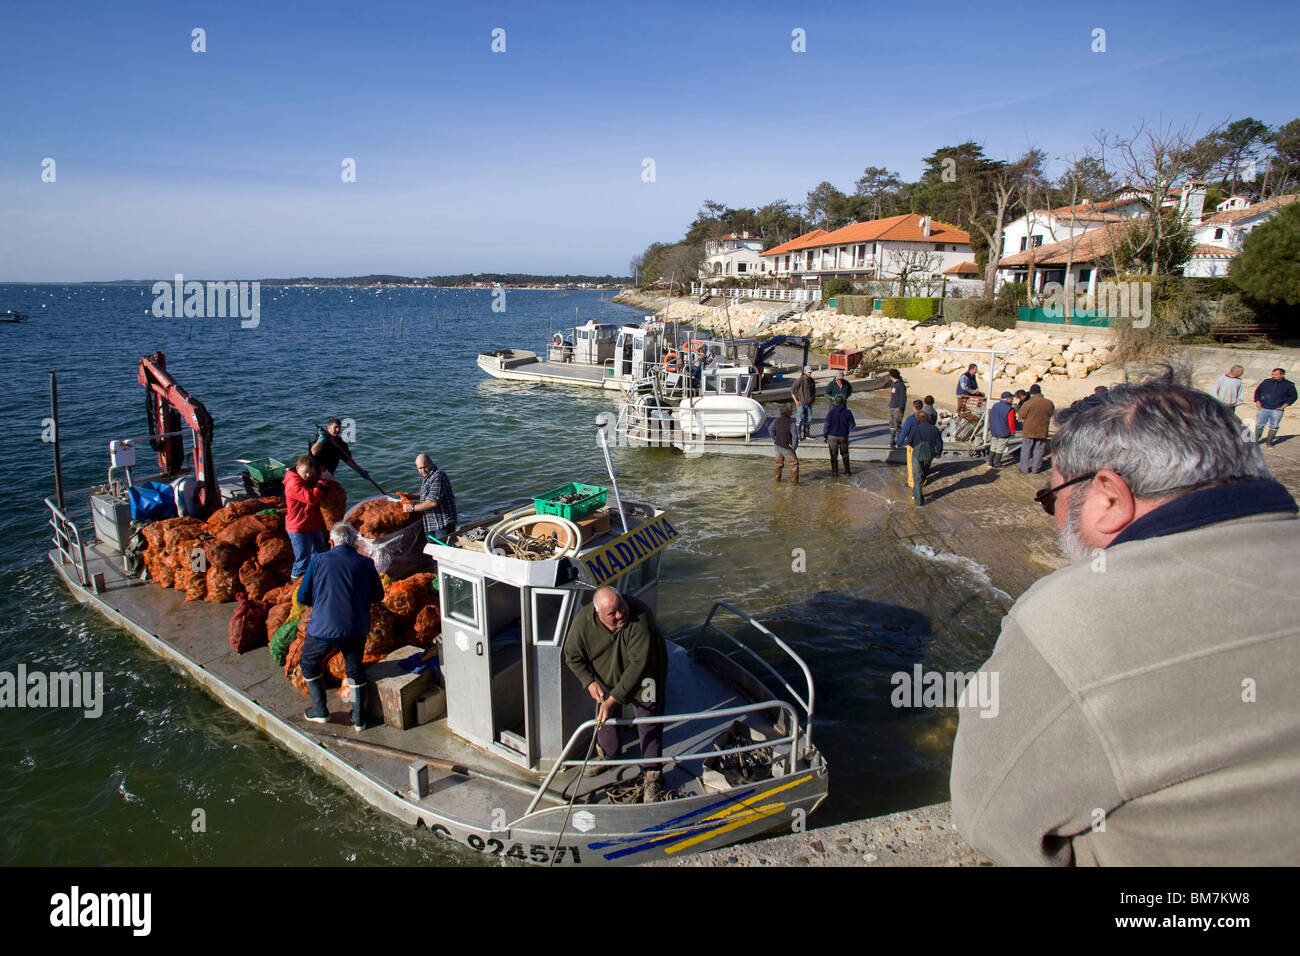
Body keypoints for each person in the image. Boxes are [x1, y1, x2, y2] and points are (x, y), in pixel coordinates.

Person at [950, 376, 1299, 865]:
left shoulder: (1069, 618)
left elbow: (987, 818)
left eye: (1051, 499)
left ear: (1109, 498)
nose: (1053, 520)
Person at [562, 587, 669, 803]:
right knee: (605, 718)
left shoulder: (641, 617)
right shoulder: (583, 623)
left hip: (646, 676)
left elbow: (640, 664)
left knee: (649, 722)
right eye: (612, 613)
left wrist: (613, 700)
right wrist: (589, 682)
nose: (620, 615)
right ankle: (608, 755)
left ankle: (652, 774)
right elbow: (572, 656)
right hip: (607, 673)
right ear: (597, 613)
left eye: (621, 607)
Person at [297, 523, 385, 730]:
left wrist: (320, 602)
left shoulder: (318, 560)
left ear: (331, 542)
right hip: (356, 625)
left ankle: (319, 711)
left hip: (323, 626)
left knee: (309, 663)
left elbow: (302, 596)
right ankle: (359, 719)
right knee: (354, 668)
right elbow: (378, 595)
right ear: (354, 542)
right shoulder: (366, 563)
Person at [284, 454, 329, 579]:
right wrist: (322, 482)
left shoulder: (308, 476)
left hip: (312, 524)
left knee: (320, 552)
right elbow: (311, 498)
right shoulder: (293, 483)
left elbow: (317, 477)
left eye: (310, 472)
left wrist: (324, 474)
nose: (308, 476)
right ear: (297, 468)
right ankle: (295, 583)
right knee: (302, 560)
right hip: (298, 527)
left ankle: (320, 578)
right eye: (305, 472)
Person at [403, 454, 458, 541]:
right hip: (431, 524)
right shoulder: (428, 476)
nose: (423, 470)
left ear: (431, 463)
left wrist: (412, 508)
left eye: (425, 467)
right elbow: (426, 493)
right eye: (420, 468)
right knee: (434, 549)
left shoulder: (437, 476)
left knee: (442, 551)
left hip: (442, 524)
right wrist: (410, 496)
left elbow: (432, 502)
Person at [904, 411, 943, 505]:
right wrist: (938, 453)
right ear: (928, 419)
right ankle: (915, 494)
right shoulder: (935, 429)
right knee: (924, 475)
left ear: (918, 420)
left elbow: (909, 442)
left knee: (917, 477)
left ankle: (919, 502)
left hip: (916, 454)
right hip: (929, 454)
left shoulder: (915, 428)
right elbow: (940, 443)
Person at [1254, 367, 1296, 446]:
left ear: (1282, 375)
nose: (1273, 376)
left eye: (1275, 375)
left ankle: (1269, 442)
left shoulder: (1289, 385)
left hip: (1277, 409)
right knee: (1260, 425)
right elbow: (1257, 392)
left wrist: (1284, 406)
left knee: (1274, 426)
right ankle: (1255, 442)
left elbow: (1293, 397)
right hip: (1263, 408)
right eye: (1272, 374)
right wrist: (1257, 401)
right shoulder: (1266, 382)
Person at [1018, 384, 1054, 474]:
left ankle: (1024, 468)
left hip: (1029, 430)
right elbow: (1050, 414)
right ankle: (1036, 469)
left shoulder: (1028, 403)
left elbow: (1021, 415)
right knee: (1039, 450)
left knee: (1026, 450)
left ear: (1031, 393)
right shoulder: (1049, 403)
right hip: (1042, 430)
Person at [824, 396, 856, 477]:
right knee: (845, 455)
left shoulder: (831, 412)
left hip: (832, 437)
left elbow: (826, 425)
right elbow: (853, 424)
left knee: (833, 456)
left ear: (835, 402)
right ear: (844, 402)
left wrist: (825, 436)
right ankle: (848, 472)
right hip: (843, 437)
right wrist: (846, 429)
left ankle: (835, 474)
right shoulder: (848, 412)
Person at [897, 399, 925, 489]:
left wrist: (898, 443)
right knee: (922, 464)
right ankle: (923, 481)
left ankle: (912, 483)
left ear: (914, 408)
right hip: (925, 444)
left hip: (914, 445)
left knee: (911, 465)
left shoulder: (910, 419)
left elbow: (904, 432)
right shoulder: (927, 417)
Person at [987, 391, 1017, 468]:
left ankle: (990, 461)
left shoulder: (995, 405)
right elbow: (1011, 422)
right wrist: (1013, 432)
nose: (1012, 399)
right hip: (1003, 430)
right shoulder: (1010, 409)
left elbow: (991, 417)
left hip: (994, 430)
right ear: (1007, 399)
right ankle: (997, 463)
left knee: (993, 446)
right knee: (1000, 447)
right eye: (1011, 398)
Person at [772, 402, 799, 485]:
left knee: (778, 464)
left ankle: (777, 480)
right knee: (794, 465)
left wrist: (774, 438)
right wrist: (793, 448)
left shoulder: (776, 420)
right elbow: (795, 437)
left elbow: (770, 429)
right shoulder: (791, 423)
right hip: (787, 447)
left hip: (777, 445)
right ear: (790, 412)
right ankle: (794, 484)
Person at [791, 366, 817, 440]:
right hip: (800, 403)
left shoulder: (812, 380)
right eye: (808, 372)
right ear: (804, 372)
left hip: (809, 403)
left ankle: (807, 435)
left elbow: (814, 392)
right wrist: (796, 400)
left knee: (808, 419)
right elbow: (792, 390)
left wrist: (813, 401)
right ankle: (798, 437)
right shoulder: (799, 380)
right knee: (799, 420)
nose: (810, 373)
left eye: (810, 372)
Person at [884, 369, 906, 446]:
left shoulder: (901, 385)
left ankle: (899, 441)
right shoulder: (893, 383)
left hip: (897, 408)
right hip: (892, 406)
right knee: (892, 425)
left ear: (892, 376)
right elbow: (886, 384)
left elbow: (903, 398)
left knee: (897, 425)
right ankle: (892, 441)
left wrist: (900, 408)